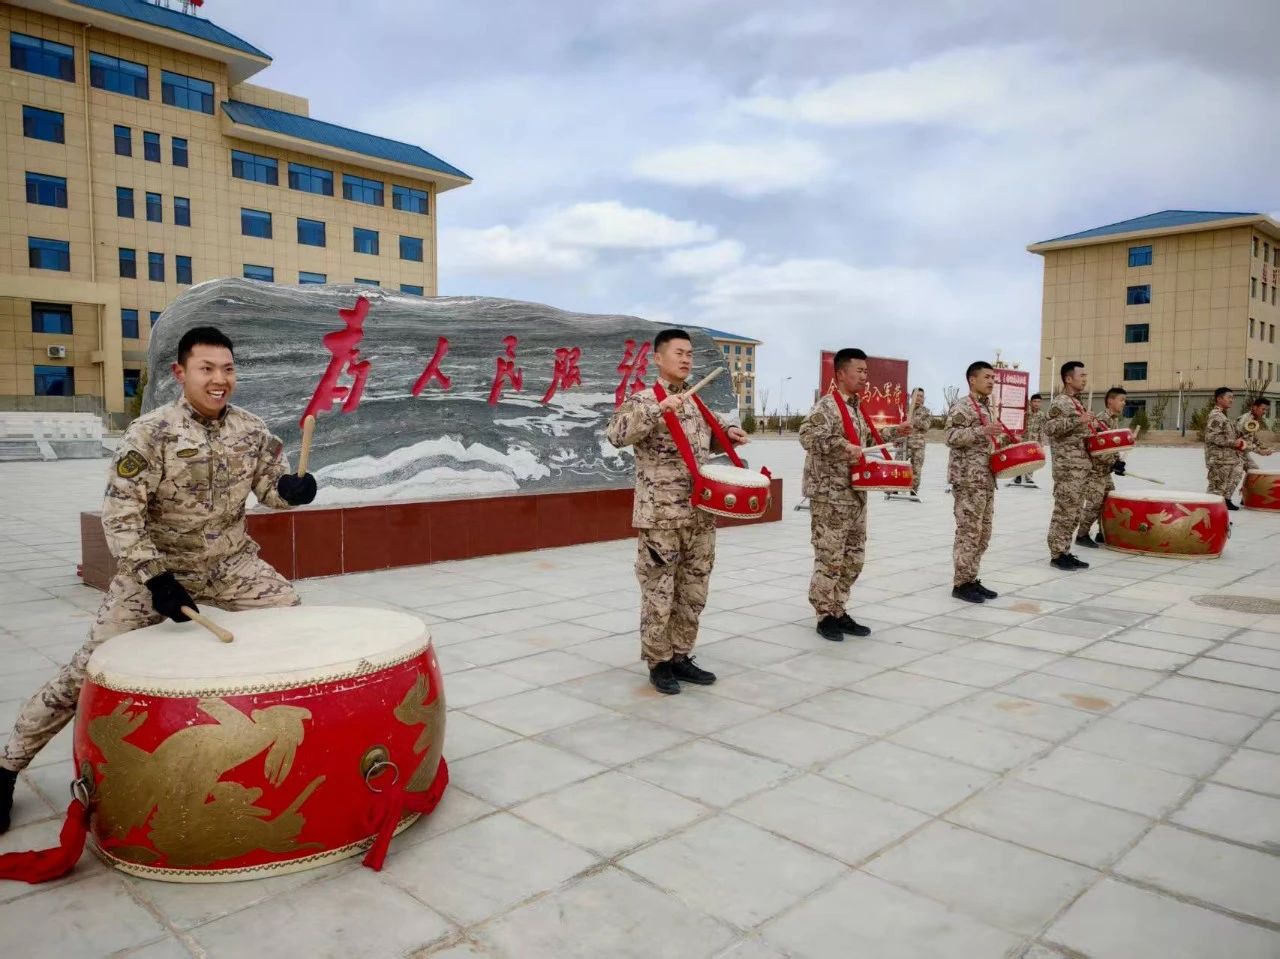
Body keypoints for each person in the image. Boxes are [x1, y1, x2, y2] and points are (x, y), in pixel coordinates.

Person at [0, 327, 318, 833]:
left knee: (296, 631)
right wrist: (154, 578)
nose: (220, 380)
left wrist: (293, 490)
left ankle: (286, 741)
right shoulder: (150, 433)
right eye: (207, 369)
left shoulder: (253, 430)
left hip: (230, 564)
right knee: (89, 668)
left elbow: (269, 490)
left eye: (228, 369)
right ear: (181, 373)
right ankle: (7, 767)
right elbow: (120, 515)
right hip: (155, 573)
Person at [606, 329, 748, 694]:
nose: (686, 359)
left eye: (689, 354)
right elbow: (616, 435)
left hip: (700, 515)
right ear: (658, 358)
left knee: (693, 590)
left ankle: (682, 655)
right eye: (679, 353)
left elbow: (711, 436)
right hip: (661, 519)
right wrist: (658, 409)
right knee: (659, 593)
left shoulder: (696, 404)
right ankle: (658, 662)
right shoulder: (641, 400)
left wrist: (730, 432)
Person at [799, 349, 909, 640]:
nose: (864, 376)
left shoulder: (856, 408)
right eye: (858, 371)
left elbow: (868, 439)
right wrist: (840, 446)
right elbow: (807, 436)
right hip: (830, 496)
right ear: (840, 374)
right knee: (830, 557)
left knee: (854, 558)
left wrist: (898, 431)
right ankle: (824, 615)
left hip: (856, 494)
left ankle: (838, 608)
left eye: (865, 371)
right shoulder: (826, 407)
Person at [945, 362, 1003, 603]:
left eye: (993, 378)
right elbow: (950, 437)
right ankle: (961, 583)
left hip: (986, 479)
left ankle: (971, 577)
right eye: (987, 377)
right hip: (968, 480)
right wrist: (982, 431)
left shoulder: (986, 407)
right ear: (972, 379)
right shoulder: (963, 407)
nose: (991, 381)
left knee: (983, 533)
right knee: (969, 532)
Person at [1042, 361, 1096, 570]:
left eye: (1085, 376)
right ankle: (1057, 554)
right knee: (1064, 510)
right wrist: (1078, 421)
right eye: (1081, 375)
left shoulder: (1076, 402)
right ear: (1068, 378)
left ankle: (1065, 550)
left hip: (1081, 468)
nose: (1085, 379)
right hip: (1067, 468)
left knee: (1074, 512)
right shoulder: (1061, 402)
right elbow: (1050, 427)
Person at [1076, 387, 1128, 548]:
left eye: (1124, 401)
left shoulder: (1113, 419)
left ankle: (1101, 532)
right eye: (1121, 400)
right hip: (1095, 471)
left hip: (1105, 471)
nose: (1123, 403)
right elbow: (1096, 447)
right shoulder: (1101, 420)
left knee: (1108, 501)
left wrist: (1117, 461)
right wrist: (1112, 462)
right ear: (1110, 401)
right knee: (1094, 503)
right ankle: (1082, 534)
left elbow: (1112, 445)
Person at [1205, 387, 1246, 510]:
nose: (1231, 400)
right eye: (1229, 397)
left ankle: (1220, 517)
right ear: (1219, 398)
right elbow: (1213, 438)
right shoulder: (1216, 416)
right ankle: (1210, 517)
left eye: (1232, 398)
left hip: (1225, 460)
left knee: (1221, 491)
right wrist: (1235, 443)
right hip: (1218, 461)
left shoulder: (1222, 415)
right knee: (1215, 491)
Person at [894, 387, 932, 501]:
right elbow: (897, 425)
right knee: (897, 466)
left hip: (917, 445)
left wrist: (914, 419)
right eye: (917, 396)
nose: (919, 399)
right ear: (912, 397)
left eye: (921, 396)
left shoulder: (925, 411)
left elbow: (926, 427)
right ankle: (894, 488)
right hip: (903, 442)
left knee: (916, 469)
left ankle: (913, 491)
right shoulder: (903, 409)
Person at [1236, 397, 1275, 500]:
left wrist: (1263, 446)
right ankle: (1226, 500)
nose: (1264, 412)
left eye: (1266, 410)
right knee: (1235, 477)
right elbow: (1245, 443)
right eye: (1263, 409)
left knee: (1254, 471)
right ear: (1255, 407)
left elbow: (1252, 438)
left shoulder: (1252, 419)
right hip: (1234, 452)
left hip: (1241, 451)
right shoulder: (1247, 420)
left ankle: (1246, 498)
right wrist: (1260, 451)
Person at [1011, 393, 1045, 487]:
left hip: (1033, 440)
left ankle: (1028, 477)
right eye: (1034, 401)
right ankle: (1018, 476)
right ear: (1031, 402)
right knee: (1020, 457)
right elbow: (1018, 424)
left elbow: (1042, 429)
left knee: (1031, 458)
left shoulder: (1042, 415)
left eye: (1038, 402)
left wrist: (1041, 442)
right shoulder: (1025, 413)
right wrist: (1016, 436)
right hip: (1023, 438)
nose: (1036, 404)